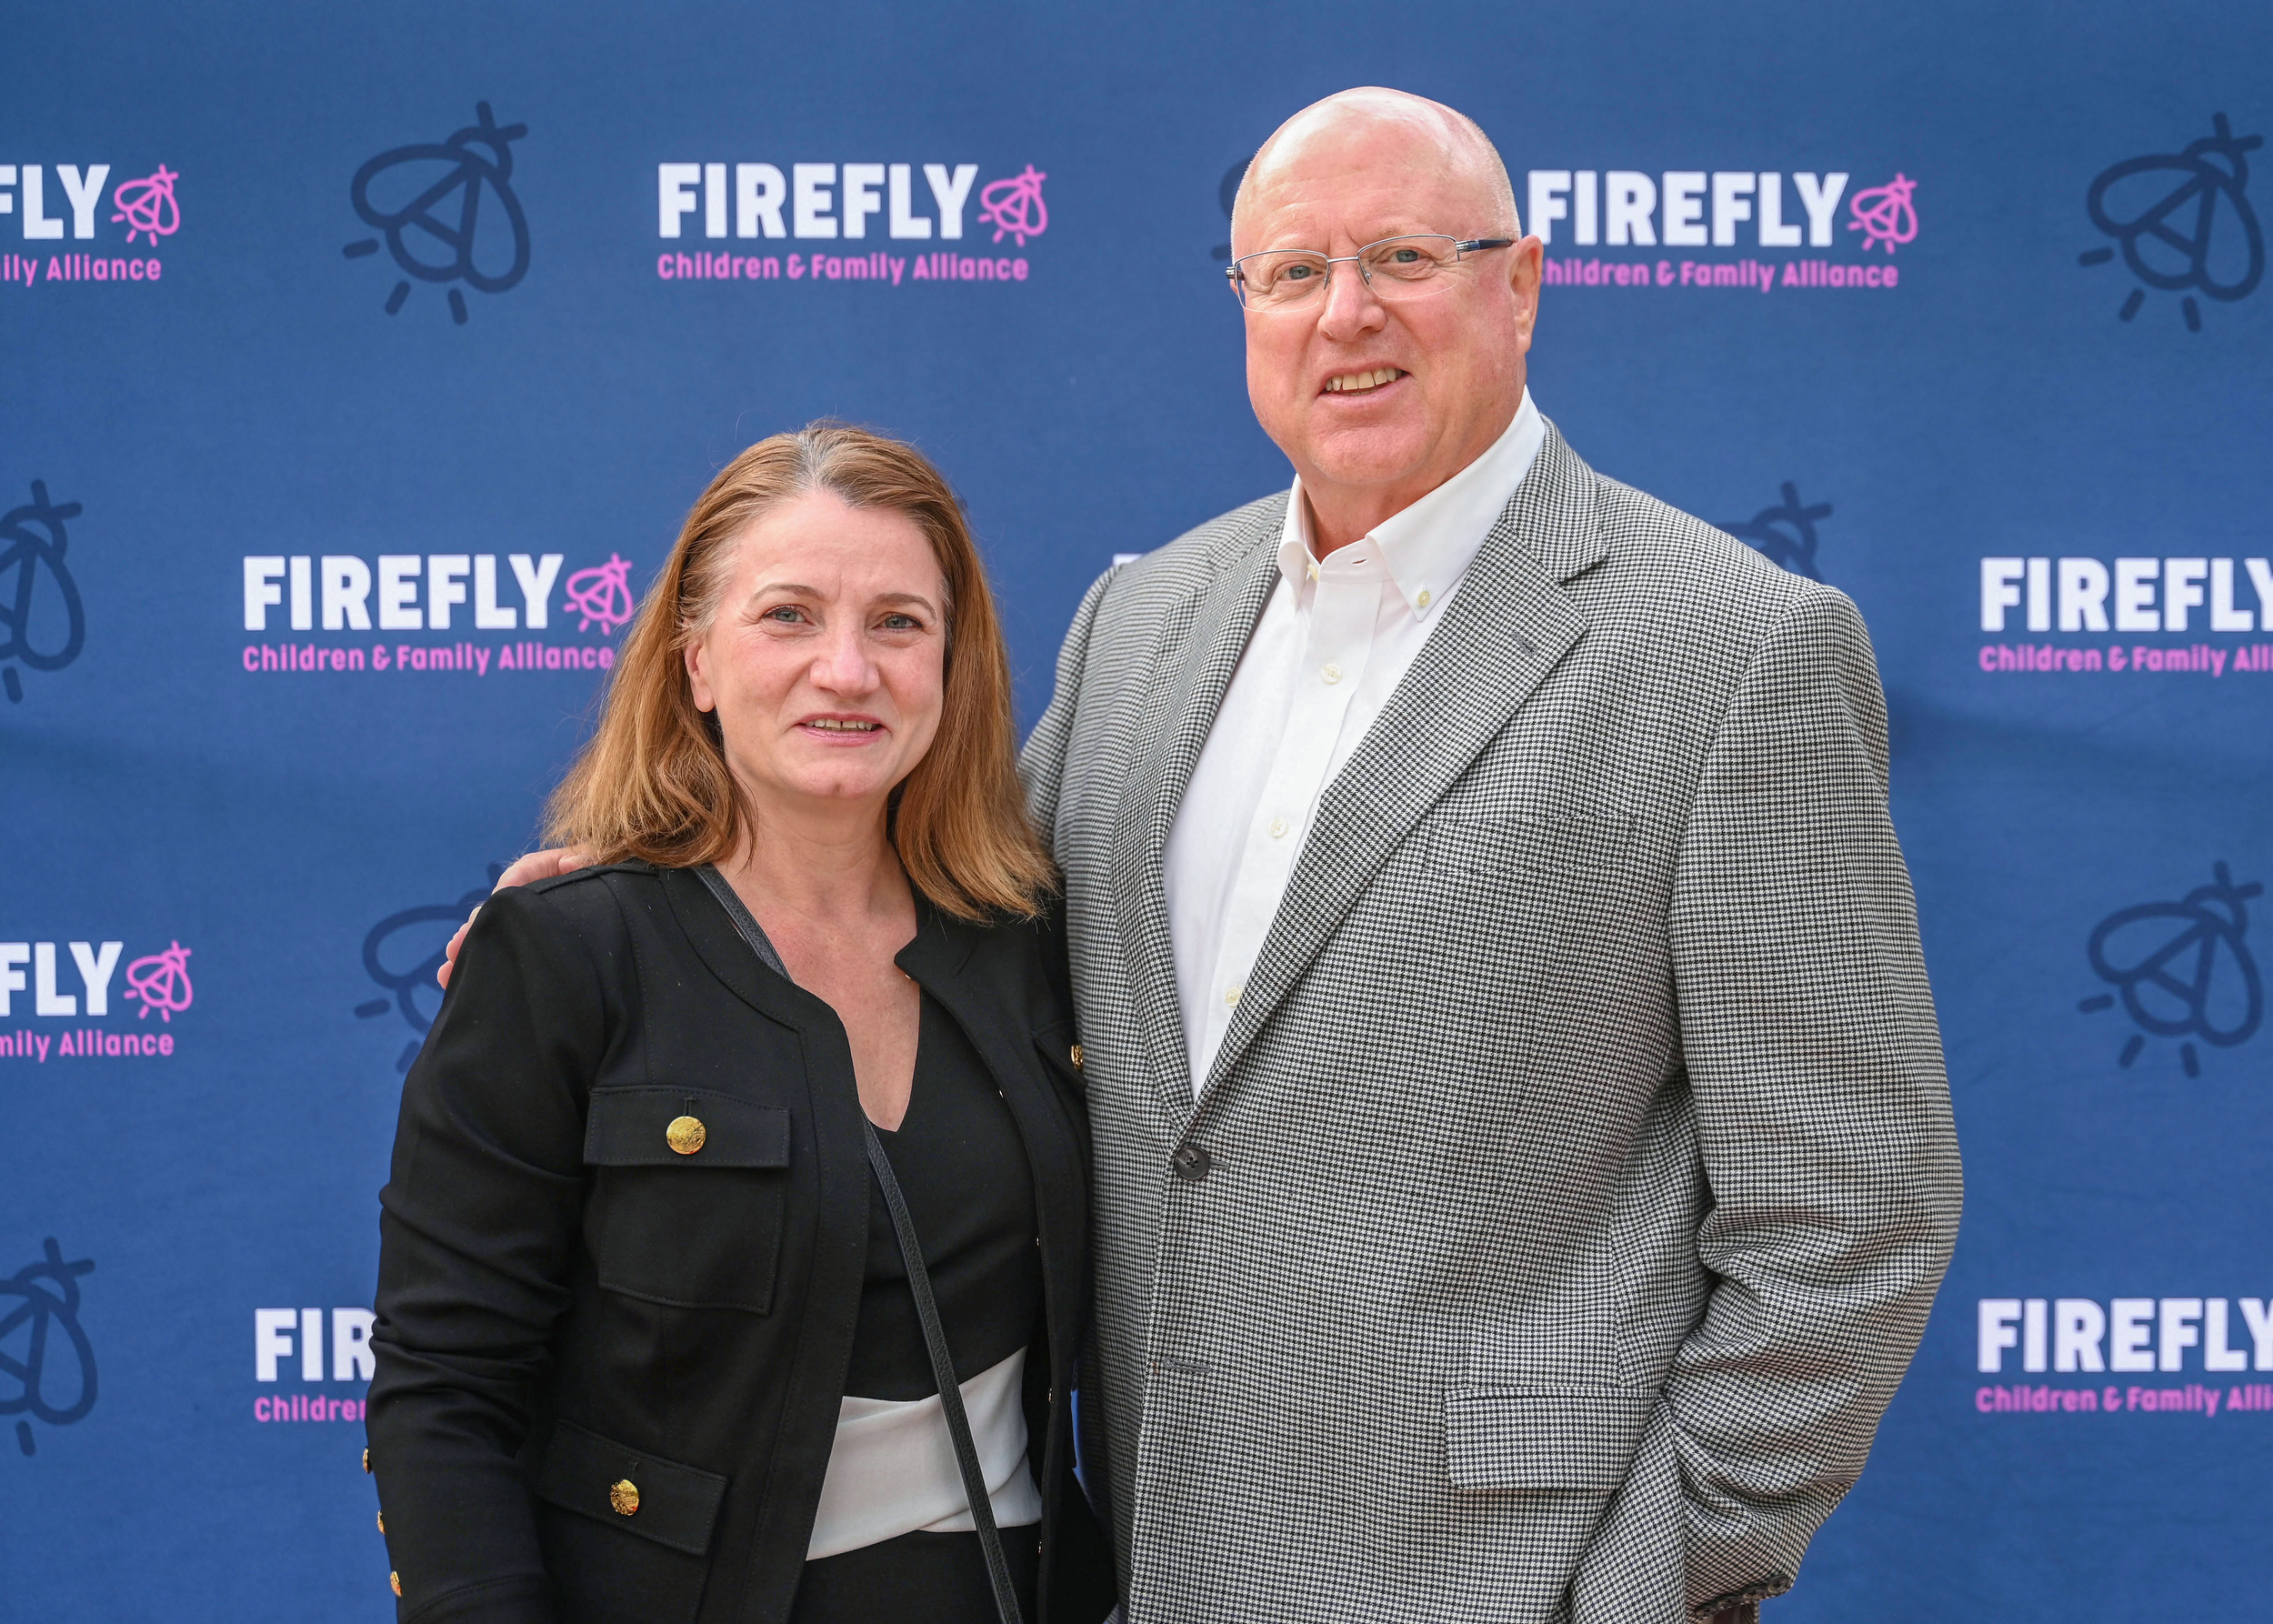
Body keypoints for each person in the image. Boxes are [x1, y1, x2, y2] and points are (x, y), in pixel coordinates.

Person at [456, 87, 1962, 1624]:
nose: (1347, 312)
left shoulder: (1733, 649)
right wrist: (654, 904)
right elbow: (938, 893)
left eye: (1405, 256)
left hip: (1509, 1581)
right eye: (1293, 272)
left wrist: (1646, 1589)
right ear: (1245, 309)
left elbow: (1852, 1210)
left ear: (1521, 286)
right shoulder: (1147, 620)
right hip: (1147, 1570)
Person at [370, 424, 1116, 1624]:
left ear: (953, 667)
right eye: (788, 616)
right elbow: (445, 1387)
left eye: (897, 622)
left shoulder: (1038, 943)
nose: (846, 669)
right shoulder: (567, 954)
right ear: (697, 664)